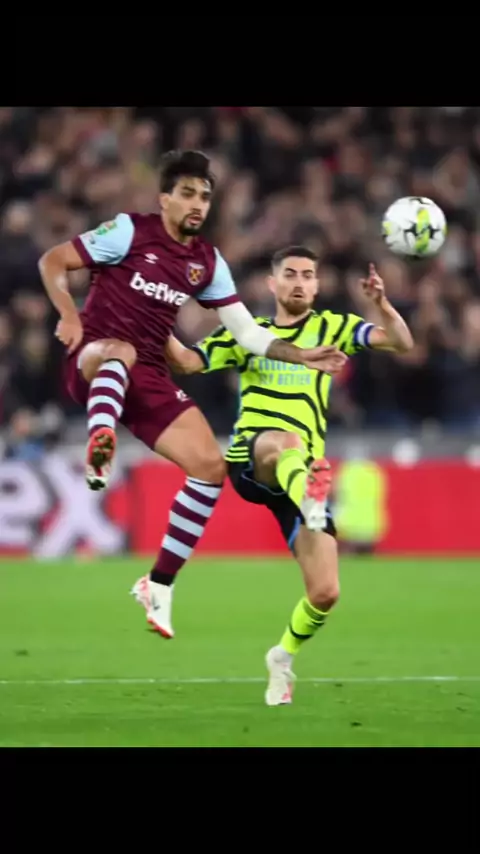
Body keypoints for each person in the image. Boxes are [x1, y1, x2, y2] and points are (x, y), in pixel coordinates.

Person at [38, 150, 343, 639]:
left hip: (149, 376)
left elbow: (247, 332)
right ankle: (101, 444)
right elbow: (53, 260)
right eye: (187, 194)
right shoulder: (128, 231)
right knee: (120, 351)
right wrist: (68, 313)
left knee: (210, 468)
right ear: (165, 199)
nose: (198, 204)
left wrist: (300, 354)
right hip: (93, 358)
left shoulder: (206, 262)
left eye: (204, 196)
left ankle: (158, 585)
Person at [145, 246, 414, 705]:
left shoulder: (334, 328)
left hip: (302, 473)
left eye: (308, 275)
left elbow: (401, 343)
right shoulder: (248, 333)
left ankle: (281, 657)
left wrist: (381, 304)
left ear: (318, 284)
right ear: (273, 284)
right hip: (254, 461)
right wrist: (153, 319)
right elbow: (187, 362)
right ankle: (310, 497)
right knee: (285, 441)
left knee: (325, 592)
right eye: (290, 274)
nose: (299, 282)